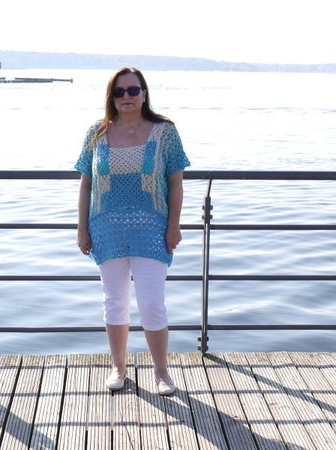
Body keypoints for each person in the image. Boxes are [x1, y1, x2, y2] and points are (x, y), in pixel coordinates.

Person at [75, 67, 190, 395]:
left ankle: (162, 372)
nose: (126, 97)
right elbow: (86, 185)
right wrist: (82, 229)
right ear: (111, 97)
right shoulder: (96, 133)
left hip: (152, 230)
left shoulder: (165, 132)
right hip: (106, 229)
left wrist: (174, 225)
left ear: (144, 93)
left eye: (133, 90)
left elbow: (175, 183)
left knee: (152, 303)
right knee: (114, 301)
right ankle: (118, 368)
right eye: (119, 91)